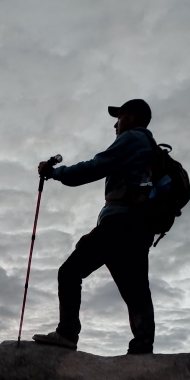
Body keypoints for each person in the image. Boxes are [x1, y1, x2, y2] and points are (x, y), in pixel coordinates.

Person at [33, 99, 160, 355]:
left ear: (133, 117)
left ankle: (67, 334)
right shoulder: (149, 147)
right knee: (136, 291)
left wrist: (55, 173)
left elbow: (94, 167)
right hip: (139, 228)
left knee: (69, 272)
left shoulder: (133, 138)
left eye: (120, 116)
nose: (115, 124)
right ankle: (143, 349)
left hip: (120, 224)